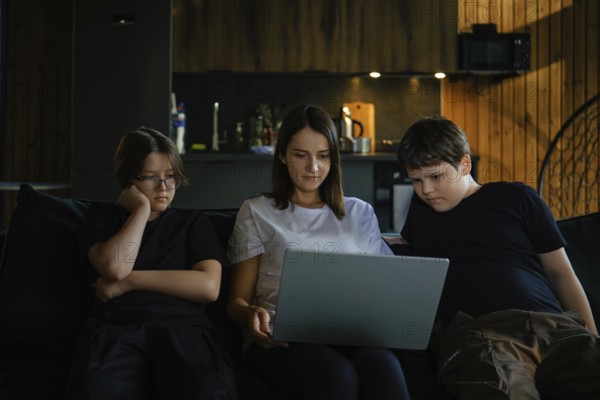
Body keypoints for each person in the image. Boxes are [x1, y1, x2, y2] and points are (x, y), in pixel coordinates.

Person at [396, 115, 600, 400]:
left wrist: (591, 336)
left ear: (465, 164)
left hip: (555, 327)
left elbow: (561, 273)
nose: (426, 190)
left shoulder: (518, 198)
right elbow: (399, 256)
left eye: (435, 176)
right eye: (416, 180)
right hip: (482, 335)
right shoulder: (421, 211)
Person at [226, 104, 411, 400]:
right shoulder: (257, 211)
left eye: (323, 156)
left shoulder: (359, 212)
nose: (313, 167)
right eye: (301, 155)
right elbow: (236, 301)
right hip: (280, 339)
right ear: (283, 155)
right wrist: (251, 314)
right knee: (337, 376)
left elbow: (385, 290)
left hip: (351, 334)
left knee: (383, 367)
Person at [66, 127, 238, 400]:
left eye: (171, 178)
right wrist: (141, 210)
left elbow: (208, 287)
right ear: (128, 179)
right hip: (118, 328)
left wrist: (130, 282)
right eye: (150, 178)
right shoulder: (101, 217)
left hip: (185, 329)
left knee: (210, 391)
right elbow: (115, 268)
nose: (164, 189)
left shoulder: (193, 223)